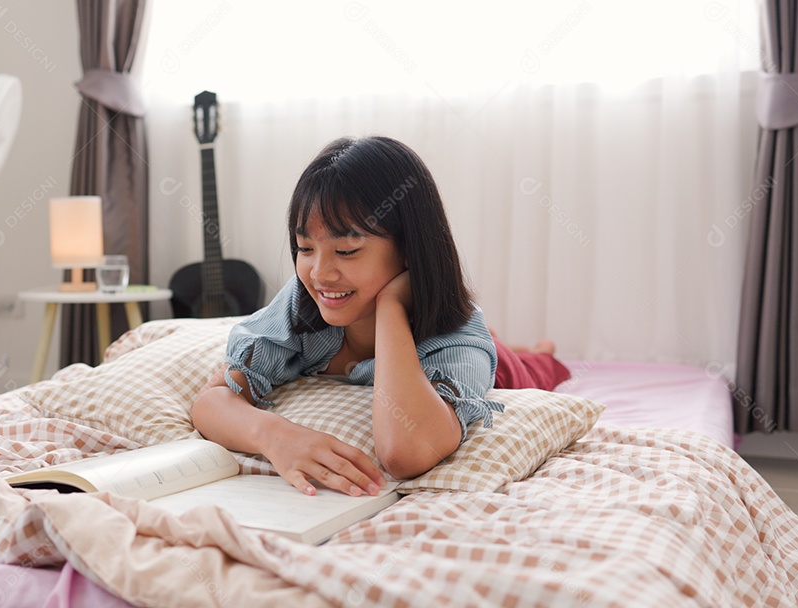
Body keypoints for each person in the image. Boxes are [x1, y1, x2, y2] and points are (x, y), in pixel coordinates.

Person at [191, 136, 567, 498]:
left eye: (347, 250)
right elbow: (212, 401)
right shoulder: (302, 300)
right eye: (305, 247)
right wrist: (275, 436)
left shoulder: (457, 333)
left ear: (409, 249)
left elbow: (406, 454)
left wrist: (391, 307)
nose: (320, 273)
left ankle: (538, 351)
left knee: (536, 365)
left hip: (500, 368)